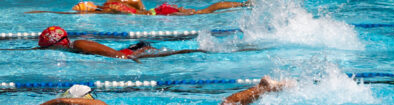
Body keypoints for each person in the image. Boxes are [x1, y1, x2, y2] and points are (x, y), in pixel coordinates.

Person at [12, 75, 288, 105]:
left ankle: (262, 89)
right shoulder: (94, 104)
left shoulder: (93, 103)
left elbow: (65, 101)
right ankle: (262, 89)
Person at [35, 25, 198, 58]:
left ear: (55, 44)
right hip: (129, 50)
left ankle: (200, 49)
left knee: (171, 54)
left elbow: (108, 52)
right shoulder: (69, 47)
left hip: (131, 53)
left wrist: (125, 58)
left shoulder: (78, 44)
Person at [28, 0, 247, 14]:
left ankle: (242, 3)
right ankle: (242, 4)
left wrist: (44, 11)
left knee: (204, 12)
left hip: (158, 14)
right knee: (203, 11)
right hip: (156, 10)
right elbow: (139, 3)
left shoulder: (108, 9)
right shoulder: (112, 3)